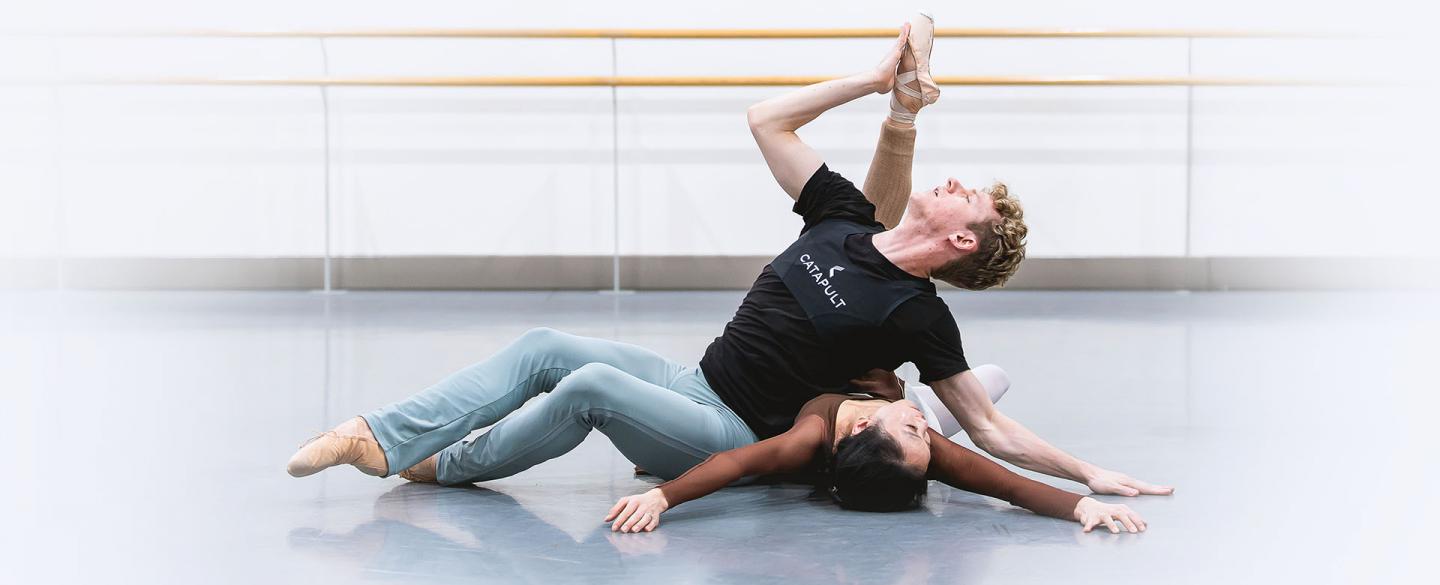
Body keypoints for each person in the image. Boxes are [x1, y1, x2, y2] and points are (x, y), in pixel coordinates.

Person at [286, 13, 1171, 519]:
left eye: (968, 196)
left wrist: (1086, 475)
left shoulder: (917, 313)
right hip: (696, 378)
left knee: (588, 380)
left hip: (735, 430)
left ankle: (442, 464)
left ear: (963, 242)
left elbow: (988, 430)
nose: (954, 183)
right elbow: (766, 120)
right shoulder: (845, 223)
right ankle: (384, 433)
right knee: (547, 341)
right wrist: (875, 88)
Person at [604, 371, 1147, 534]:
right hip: (892, 405)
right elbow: (1003, 483)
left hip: (872, 411)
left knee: (988, 383)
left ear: (863, 424)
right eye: (921, 442)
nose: (924, 434)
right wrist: (1081, 504)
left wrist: (662, 495)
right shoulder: (919, 431)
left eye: (917, 436)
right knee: (995, 378)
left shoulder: (810, 438)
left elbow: (737, 463)